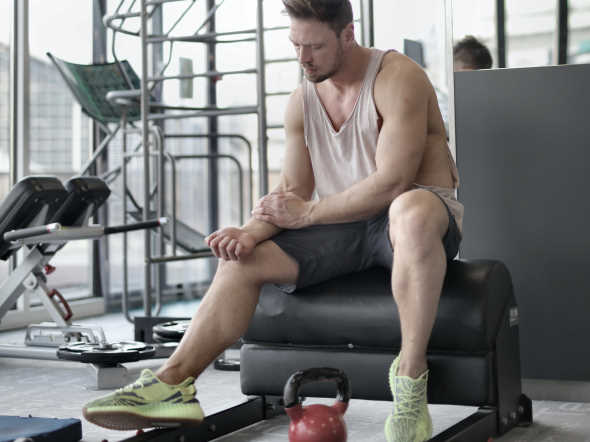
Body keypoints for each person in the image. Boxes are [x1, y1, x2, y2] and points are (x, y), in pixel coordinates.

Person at [82, 1, 464, 441]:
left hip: (417, 215)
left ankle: (410, 382)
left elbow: (393, 183)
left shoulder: (398, 77)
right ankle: (173, 384)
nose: (303, 58)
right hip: (344, 222)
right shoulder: (302, 99)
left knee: (408, 211)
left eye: (315, 46)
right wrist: (249, 233)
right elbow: (294, 192)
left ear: (347, 35)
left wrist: (309, 213)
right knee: (245, 259)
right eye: (296, 45)